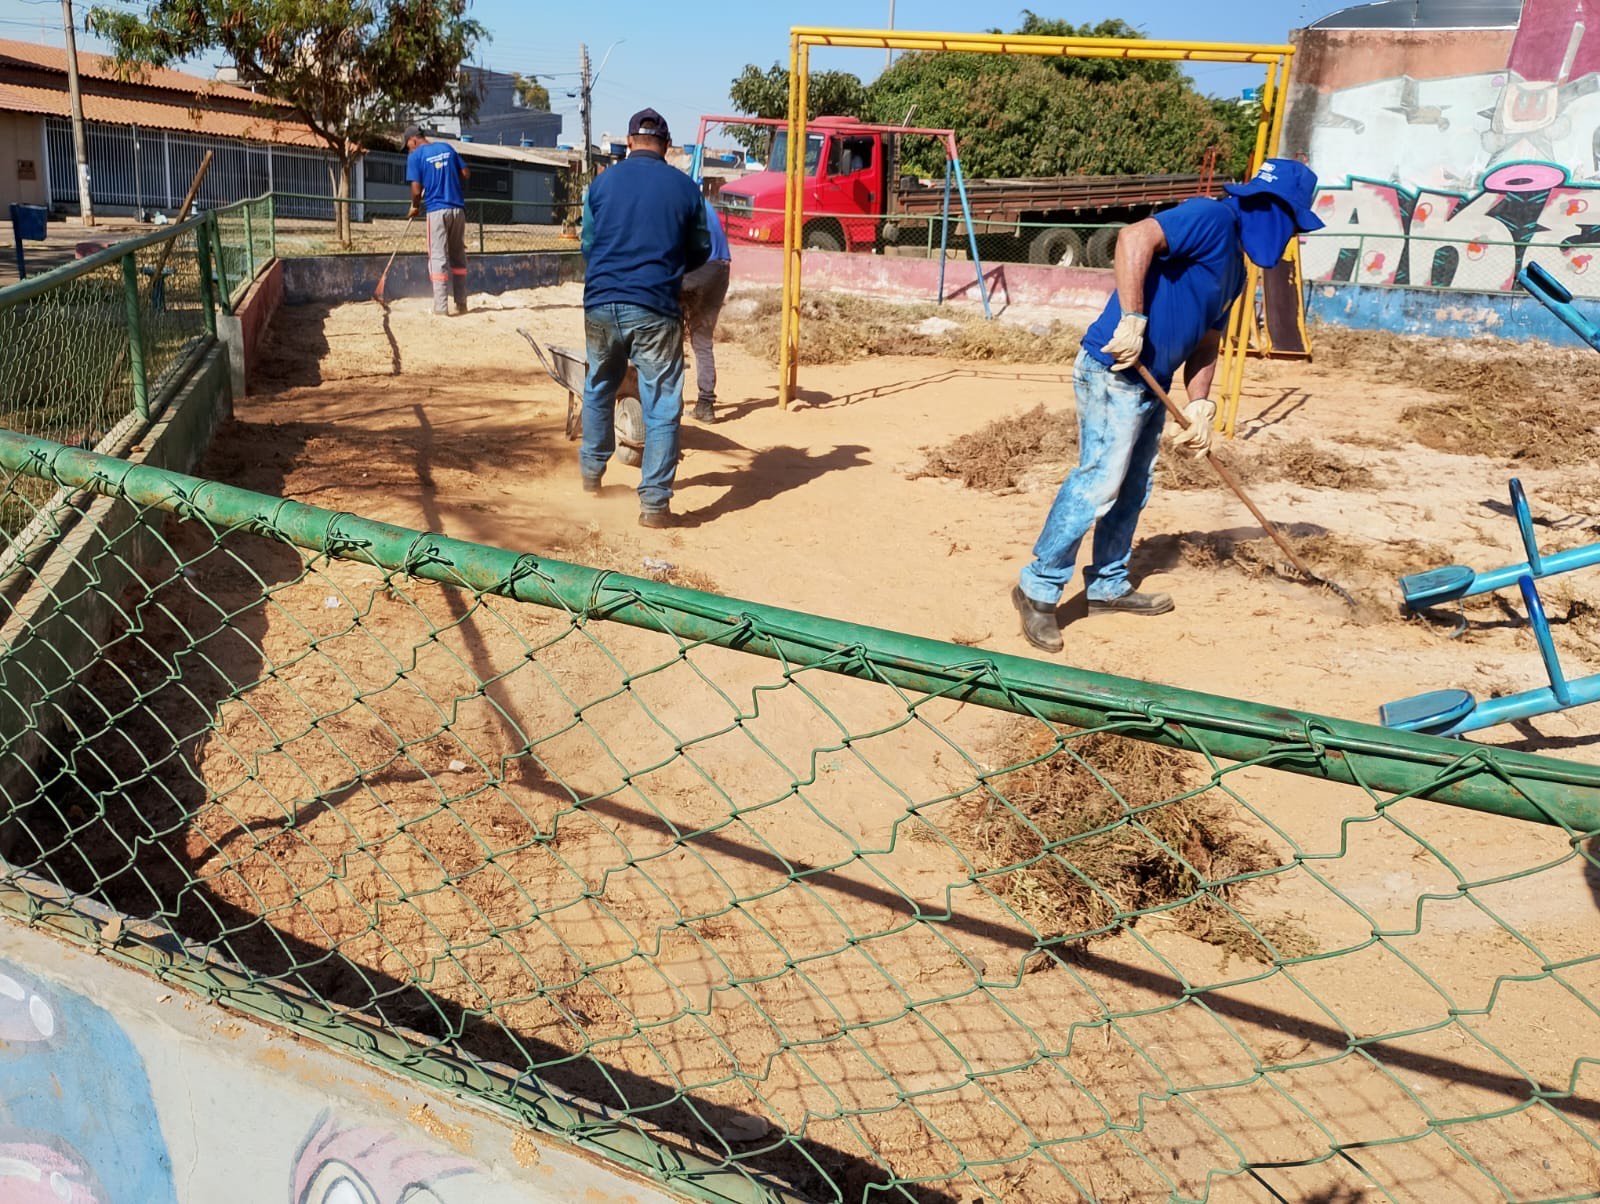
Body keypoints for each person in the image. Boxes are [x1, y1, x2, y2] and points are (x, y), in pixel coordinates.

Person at [1011, 158, 1326, 654]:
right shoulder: (1211, 217)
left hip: (1151, 381)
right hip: (1115, 370)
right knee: (1099, 483)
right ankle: (1038, 587)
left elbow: (1207, 339)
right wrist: (1132, 319)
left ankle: (1107, 585)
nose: (1290, 238)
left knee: (1134, 488)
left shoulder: (1235, 273)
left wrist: (1201, 404)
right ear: (1272, 210)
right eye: (1291, 226)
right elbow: (1134, 238)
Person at [579, 107, 711, 528]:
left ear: (630, 141)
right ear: (667, 145)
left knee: (599, 385)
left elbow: (588, 245)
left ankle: (589, 476)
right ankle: (654, 504)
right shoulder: (686, 188)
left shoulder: (601, 184)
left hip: (600, 303)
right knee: (662, 403)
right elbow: (702, 249)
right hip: (655, 306)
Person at [404, 127, 470, 316]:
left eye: (407, 146)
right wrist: (449, 177)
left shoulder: (415, 157)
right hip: (458, 209)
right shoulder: (447, 148)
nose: (408, 150)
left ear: (413, 141)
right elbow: (466, 173)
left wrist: (415, 206)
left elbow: (416, 191)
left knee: (438, 257)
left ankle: (441, 308)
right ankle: (461, 303)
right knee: (458, 256)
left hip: (436, 211)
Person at [680, 196, 732, 423]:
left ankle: (668, 401)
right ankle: (705, 404)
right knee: (702, 339)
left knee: (666, 330)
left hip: (699, 269)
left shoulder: (678, 201)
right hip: (721, 270)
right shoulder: (701, 201)